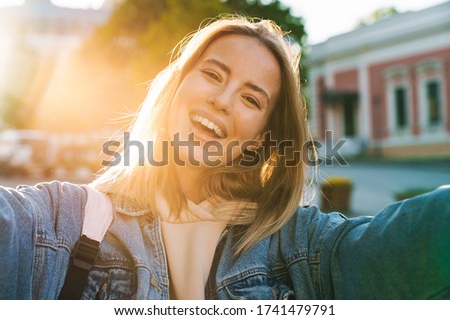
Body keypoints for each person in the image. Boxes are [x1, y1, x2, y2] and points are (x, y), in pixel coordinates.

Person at [0, 16, 449, 300]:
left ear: (259, 141)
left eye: (252, 100)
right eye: (213, 74)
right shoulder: (62, 223)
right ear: (175, 88)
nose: (222, 100)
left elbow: (410, 244)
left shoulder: (298, 245)